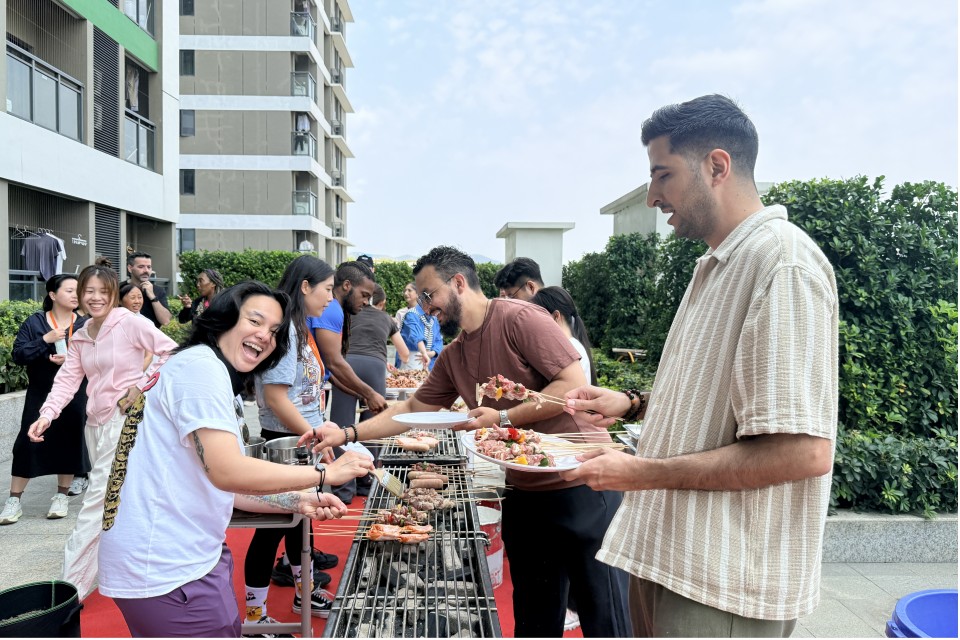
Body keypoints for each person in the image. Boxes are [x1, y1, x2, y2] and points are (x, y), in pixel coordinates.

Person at [558, 94, 839, 637]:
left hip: (723, 582)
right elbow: (719, 403)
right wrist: (632, 408)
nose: (653, 196)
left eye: (662, 174)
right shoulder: (715, 264)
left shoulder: (783, 264)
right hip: (671, 558)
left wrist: (641, 474)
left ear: (717, 166)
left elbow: (802, 451)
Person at [305, 246, 631, 638]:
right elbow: (412, 408)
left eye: (429, 295)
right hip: (525, 492)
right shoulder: (455, 355)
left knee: (605, 618)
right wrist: (347, 433)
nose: (426, 307)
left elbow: (571, 384)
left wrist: (504, 417)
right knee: (534, 620)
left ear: (458, 283)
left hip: (583, 482)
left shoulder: (520, 317)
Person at [97, 281, 374, 637]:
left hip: (183, 558)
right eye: (254, 321)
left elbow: (222, 481)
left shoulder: (201, 367)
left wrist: (296, 500)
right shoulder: (200, 368)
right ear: (224, 319)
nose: (264, 336)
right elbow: (227, 471)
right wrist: (323, 475)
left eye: (274, 331)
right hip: (164, 566)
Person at [27, 258, 178, 599]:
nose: (95, 298)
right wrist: (46, 415)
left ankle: (69, 591)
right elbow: (67, 381)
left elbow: (170, 351)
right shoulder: (81, 335)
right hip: (94, 425)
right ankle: (137, 567)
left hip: (126, 423)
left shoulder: (129, 322)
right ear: (80, 294)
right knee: (120, 499)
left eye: (103, 291)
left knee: (96, 502)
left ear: (114, 294)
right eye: (89, 291)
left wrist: (140, 385)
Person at [247, 255, 341, 626]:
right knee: (270, 530)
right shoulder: (286, 330)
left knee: (302, 523)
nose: (331, 298)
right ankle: (255, 616)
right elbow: (275, 396)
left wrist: (320, 428)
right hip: (285, 442)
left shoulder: (300, 329)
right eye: (327, 289)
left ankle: (305, 593)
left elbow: (304, 393)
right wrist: (313, 432)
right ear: (305, 286)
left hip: (301, 439)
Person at [0, 275, 89, 525]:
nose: (75, 295)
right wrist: (44, 341)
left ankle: (61, 496)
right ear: (52, 295)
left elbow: (98, 358)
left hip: (75, 393)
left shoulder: (85, 324)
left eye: (78, 291)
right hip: (40, 392)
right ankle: (14, 500)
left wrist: (72, 359)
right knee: (27, 443)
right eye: (69, 290)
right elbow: (19, 354)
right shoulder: (35, 322)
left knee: (70, 440)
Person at [309, 261, 385, 502]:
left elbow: (330, 371)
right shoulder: (333, 309)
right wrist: (370, 393)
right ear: (347, 285)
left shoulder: (335, 309)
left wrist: (360, 393)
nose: (366, 302)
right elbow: (334, 362)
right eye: (364, 295)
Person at [330, 284, 409, 495]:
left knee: (341, 425)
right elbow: (403, 353)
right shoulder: (387, 318)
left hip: (346, 365)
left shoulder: (349, 313)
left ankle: (342, 489)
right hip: (375, 367)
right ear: (381, 303)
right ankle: (367, 483)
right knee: (373, 426)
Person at [530, 286, 596, 386]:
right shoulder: (572, 345)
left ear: (556, 316)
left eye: (537, 318)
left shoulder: (569, 349)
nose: (533, 325)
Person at [126, 251, 172, 327]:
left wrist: (152, 296)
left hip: (151, 334)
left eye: (149, 267)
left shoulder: (158, 290)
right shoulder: (119, 289)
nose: (146, 270)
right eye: (141, 267)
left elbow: (165, 321)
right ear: (130, 268)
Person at [398, 298, 443, 371]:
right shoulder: (411, 314)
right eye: (438, 309)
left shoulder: (434, 319)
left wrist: (431, 353)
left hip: (430, 360)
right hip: (412, 359)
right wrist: (424, 353)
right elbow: (416, 336)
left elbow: (438, 340)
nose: (437, 313)